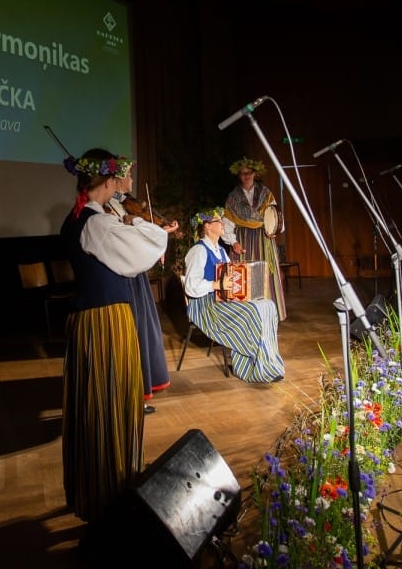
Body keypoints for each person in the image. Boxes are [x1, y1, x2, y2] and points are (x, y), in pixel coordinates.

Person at [59, 148, 170, 530]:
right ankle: (110, 488)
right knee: (111, 402)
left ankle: (101, 485)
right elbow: (149, 246)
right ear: (107, 181)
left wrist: (125, 214)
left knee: (98, 404)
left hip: (88, 321)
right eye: (117, 180)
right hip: (107, 322)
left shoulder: (81, 220)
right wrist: (136, 222)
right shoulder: (97, 225)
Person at [107, 161, 179, 414]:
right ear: (115, 180)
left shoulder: (122, 205)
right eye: (128, 176)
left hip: (134, 275)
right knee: (133, 334)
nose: (131, 181)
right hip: (124, 277)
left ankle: (139, 392)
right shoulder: (110, 208)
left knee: (143, 332)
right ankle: (131, 394)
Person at [183, 206, 285, 383]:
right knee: (251, 312)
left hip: (223, 299)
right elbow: (191, 286)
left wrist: (247, 283)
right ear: (207, 226)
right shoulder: (198, 251)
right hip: (206, 305)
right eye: (218, 221)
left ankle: (267, 363)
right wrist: (216, 284)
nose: (222, 223)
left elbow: (233, 276)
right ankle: (250, 367)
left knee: (267, 305)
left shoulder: (221, 251)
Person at [224, 157, 287, 319]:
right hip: (243, 239)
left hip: (263, 237)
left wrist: (273, 230)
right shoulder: (233, 197)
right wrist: (233, 241)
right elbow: (227, 222)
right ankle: (244, 316)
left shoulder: (266, 194)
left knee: (266, 274)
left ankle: (269, 315)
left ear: (255, 174)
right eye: (243, 173)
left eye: (249, 173)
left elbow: (276, 215)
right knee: (243, 276)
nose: (246, 176)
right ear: (239, 176)